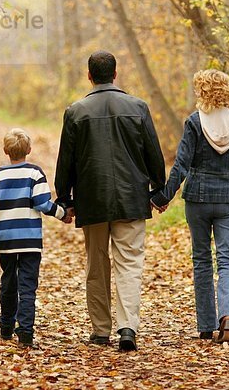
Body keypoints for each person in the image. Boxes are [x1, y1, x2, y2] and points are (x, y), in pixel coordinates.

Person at [55, 51, 166, 351]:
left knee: (97, 264)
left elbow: (66, 161)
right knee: (129, 264)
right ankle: (127, 326)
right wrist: (159, 189)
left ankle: (101, 330)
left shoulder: (76, 111)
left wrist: (64, 199)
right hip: (131, 198)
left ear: (89, 76)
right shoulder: (138, 107)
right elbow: (153, 153)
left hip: (92, 199)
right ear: (116, 74)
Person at [151, 69, 229, 343]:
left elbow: (181, 164)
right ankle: (228, 316)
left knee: (202, 259)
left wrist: (162, 197)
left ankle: (206, 325)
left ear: (203, 92)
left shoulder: (195, 122)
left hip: (198, 198)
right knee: (227, 259)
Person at [0, 128, 72, 348]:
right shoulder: (35, 173)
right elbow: (42, 203)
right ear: (29, 150)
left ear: (5, 151)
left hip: (6, 239)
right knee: (27, 285)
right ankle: (25, 333)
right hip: (29, 240)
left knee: (8, 281)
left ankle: (5, 327)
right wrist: (62, 214)